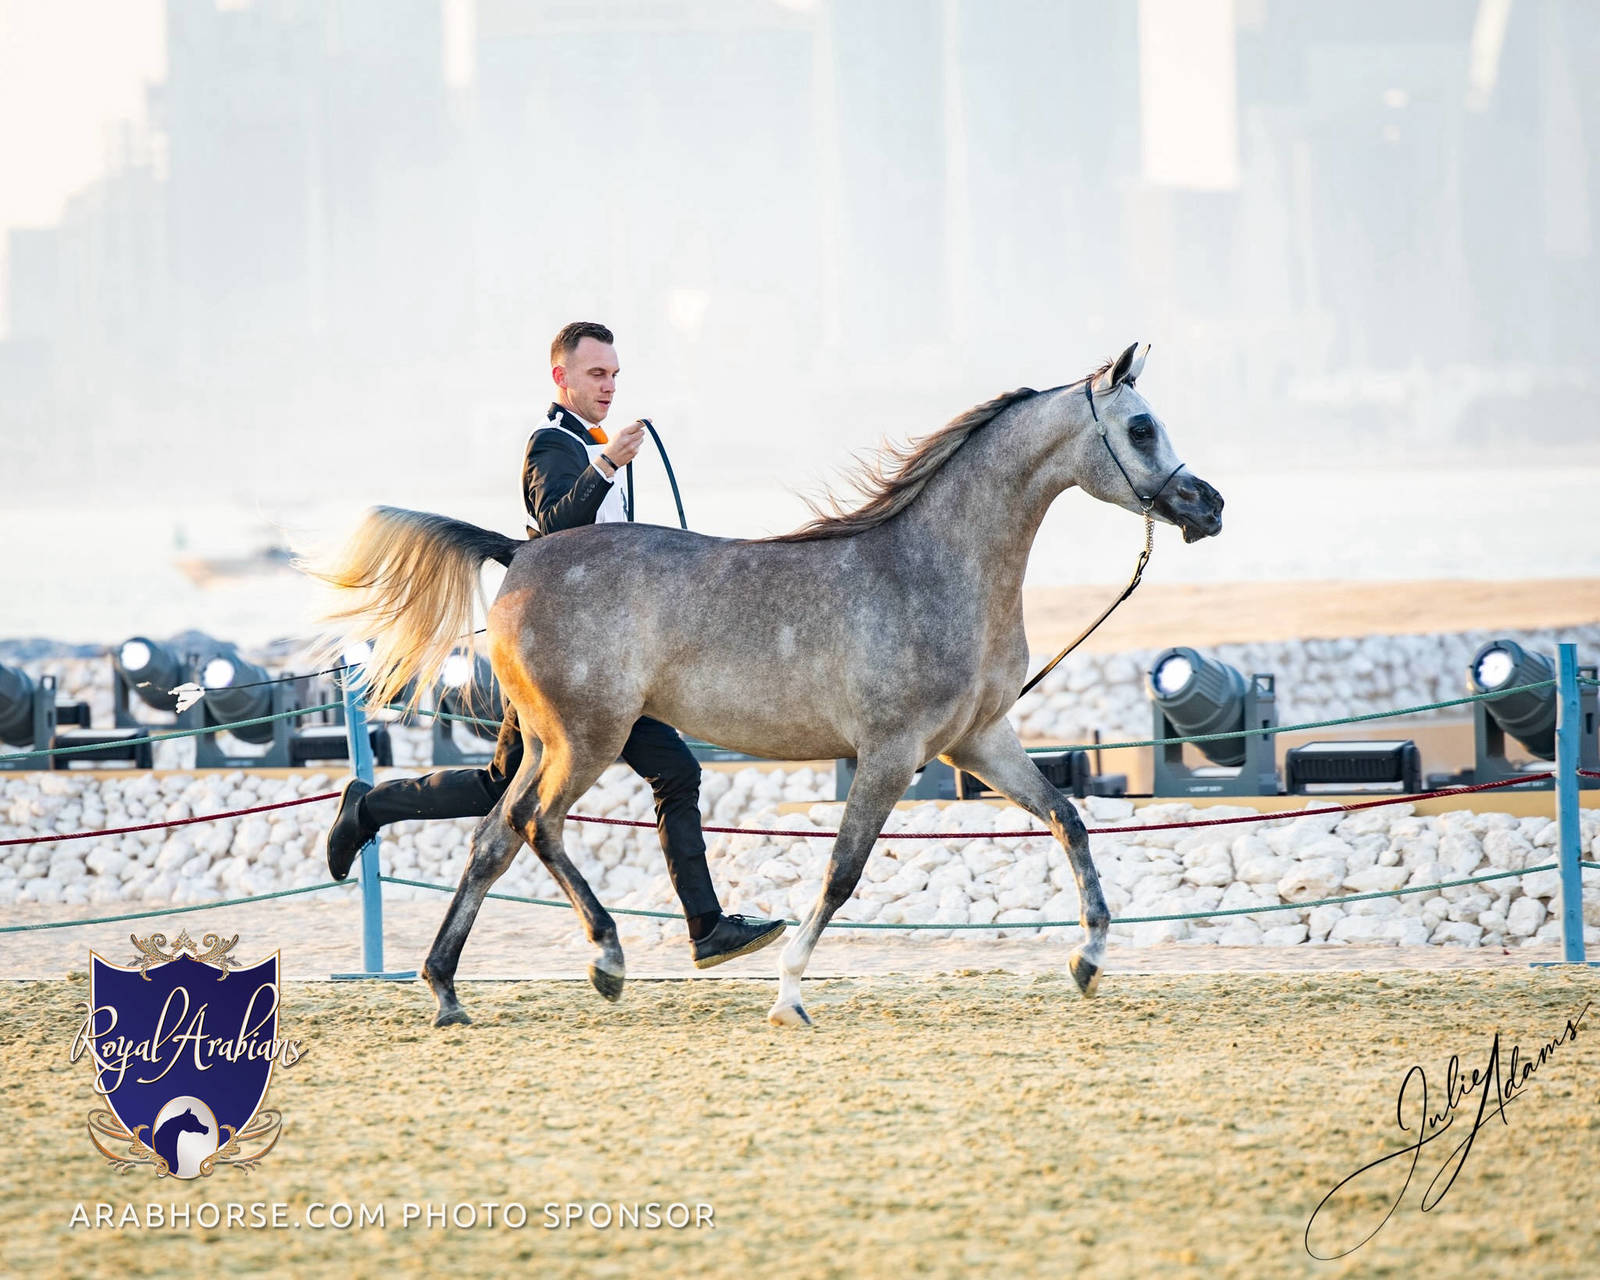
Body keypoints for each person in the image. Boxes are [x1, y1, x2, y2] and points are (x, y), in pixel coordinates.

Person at [323, 321, 785, 968]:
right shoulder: (551, 443)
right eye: (597, 374)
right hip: (569, 659)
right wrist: (608, 464)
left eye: (615, 374)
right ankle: (705, 927)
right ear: (561, 377)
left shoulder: (591, 443)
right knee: (641, 776)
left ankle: (370, 806)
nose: (609, 386)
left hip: (608, 657)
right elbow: (558, 525)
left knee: (523, 784)